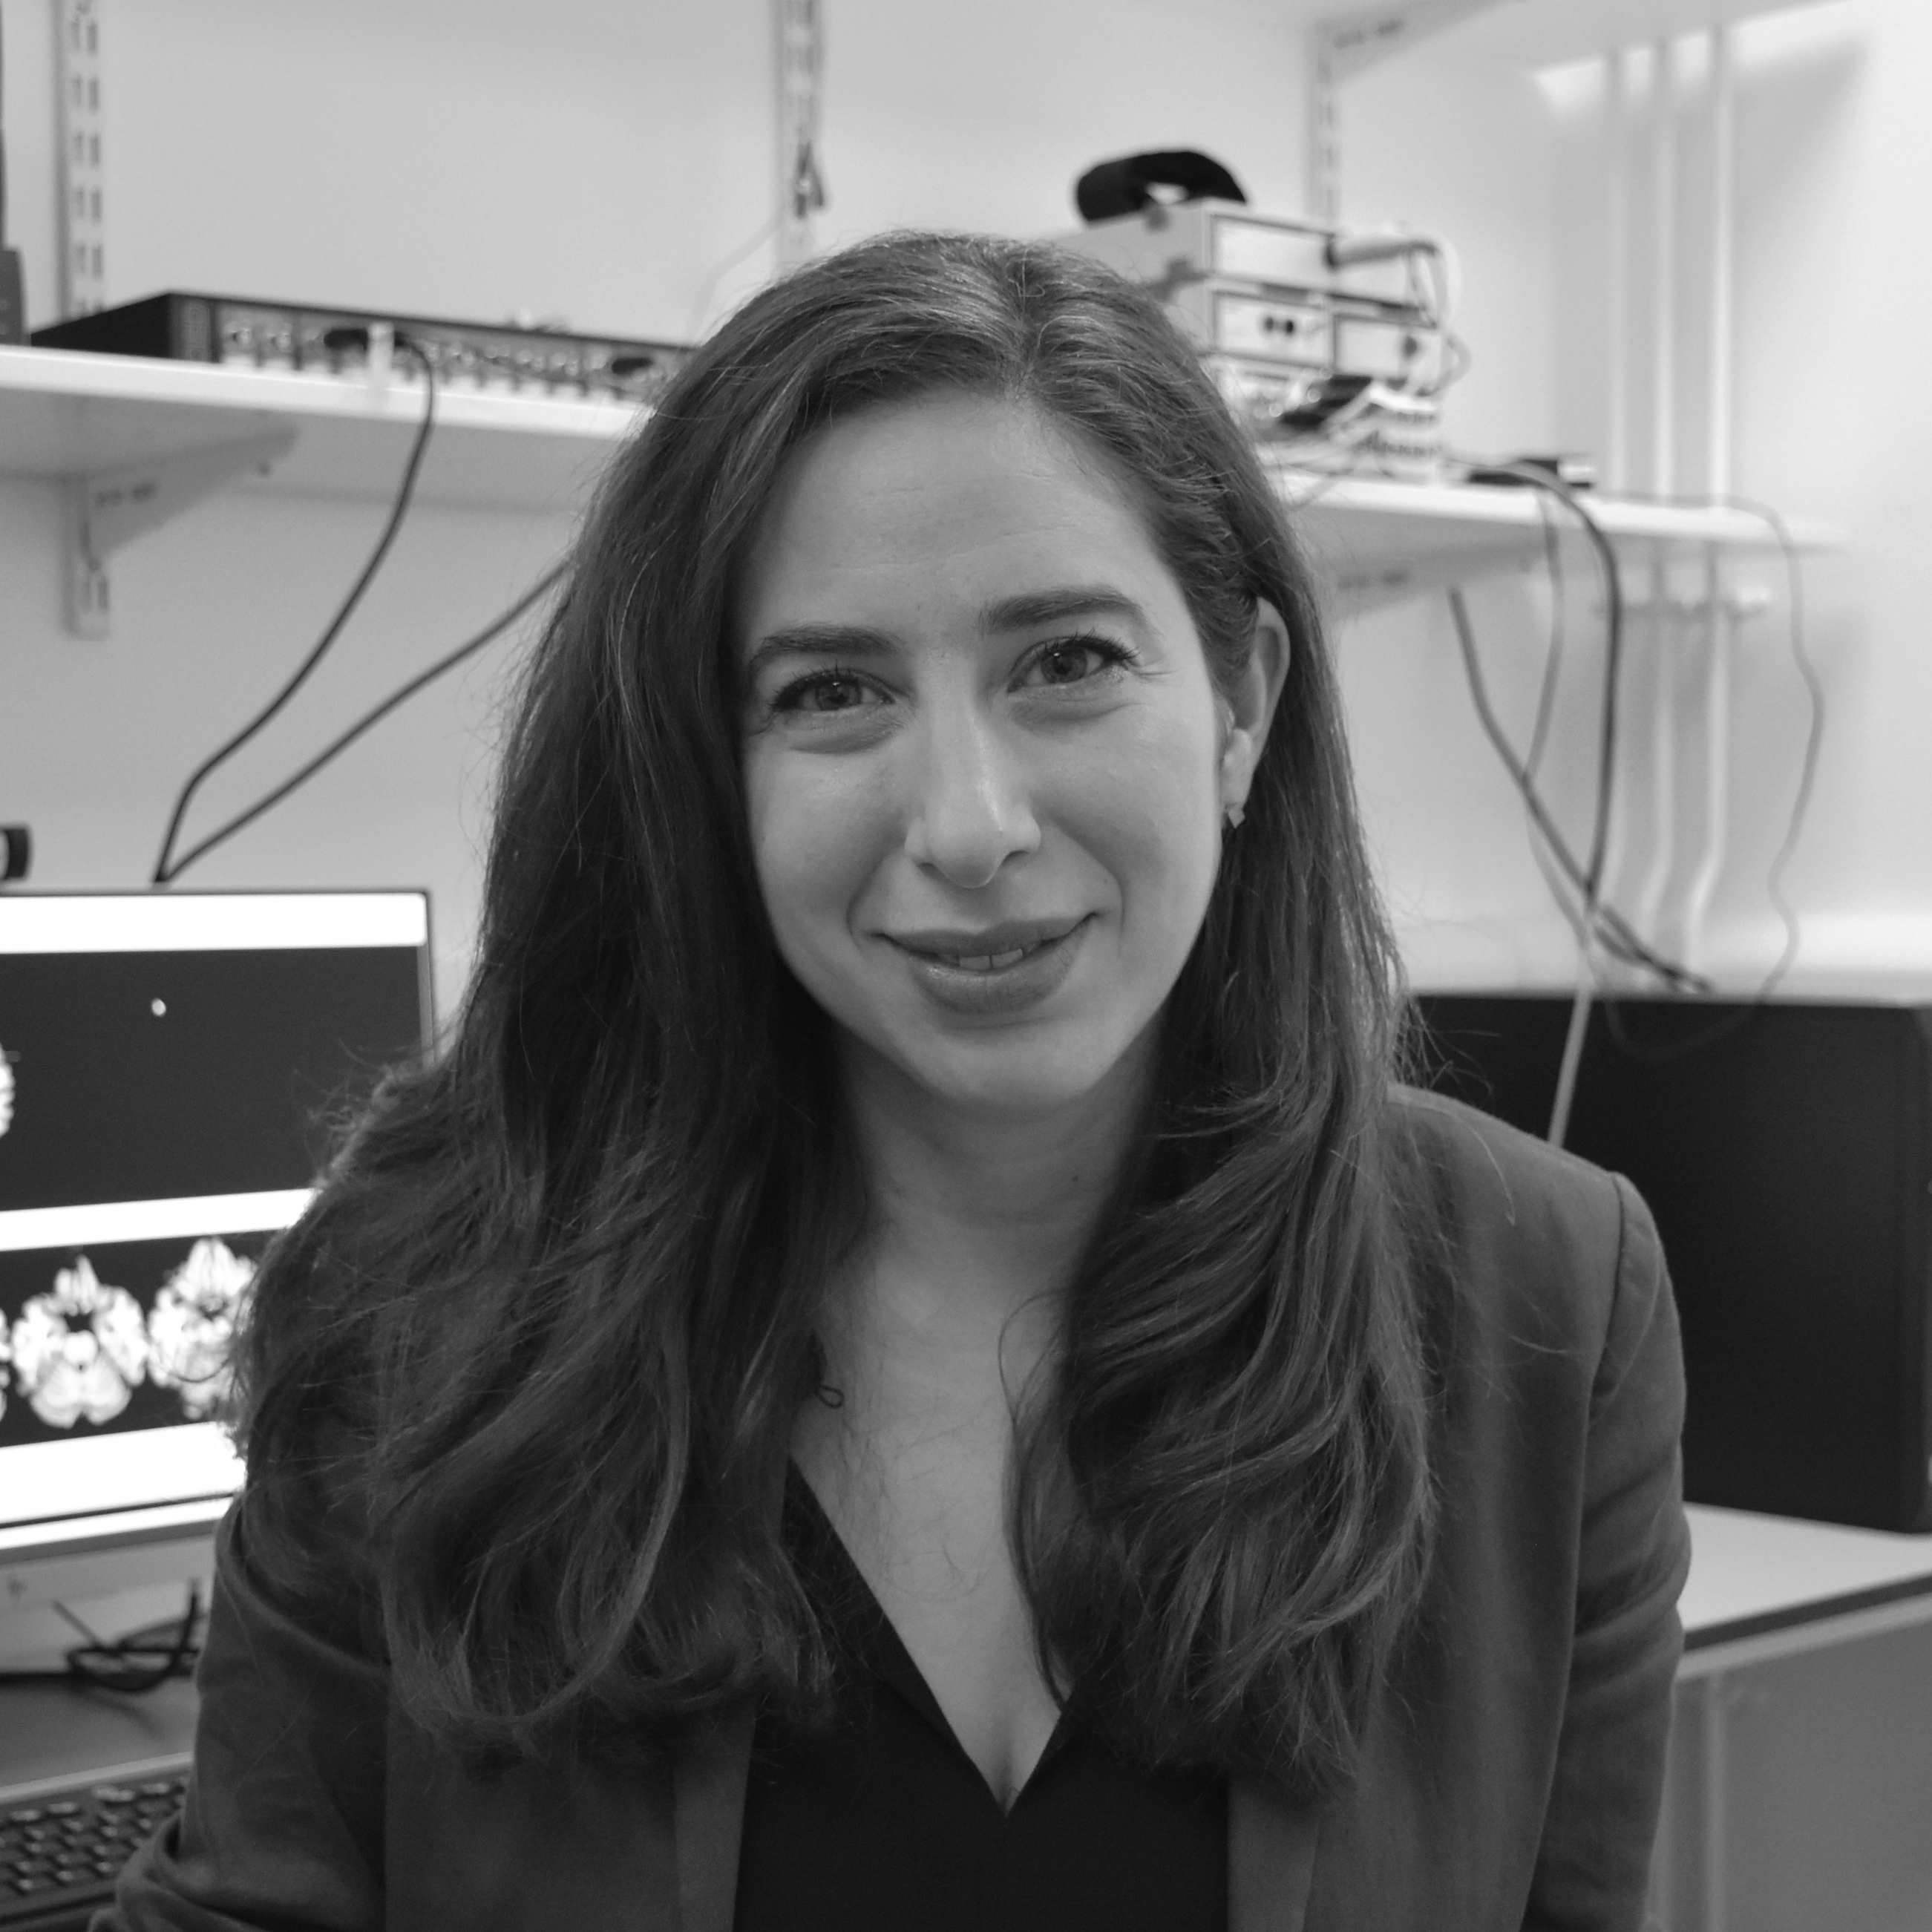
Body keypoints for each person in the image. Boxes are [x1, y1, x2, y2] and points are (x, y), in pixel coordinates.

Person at [104, 231, 1688, 1932]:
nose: (970, 826)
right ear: (710, 773)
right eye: (834, 692)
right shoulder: (428, 1297)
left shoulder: (1549, 1299)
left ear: (1240, 705)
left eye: (1067, 662)